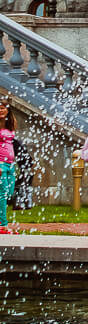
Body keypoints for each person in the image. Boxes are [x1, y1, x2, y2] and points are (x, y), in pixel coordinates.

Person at [0, 98, 18, 234]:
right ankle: (3, 224)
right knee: (2, 194)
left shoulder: (10, 125)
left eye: (3, 107)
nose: (1, 110)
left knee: (9, 193)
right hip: (0, 164)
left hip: (10, 164)